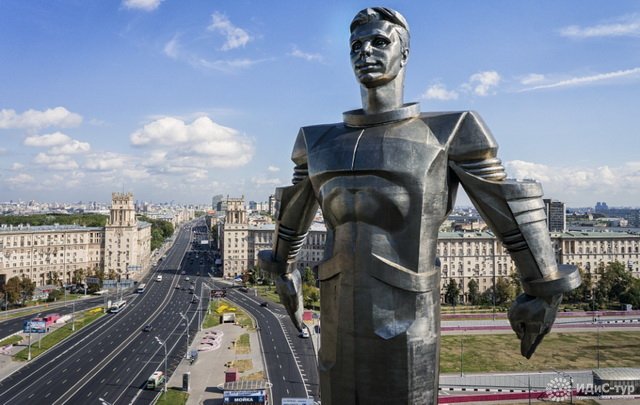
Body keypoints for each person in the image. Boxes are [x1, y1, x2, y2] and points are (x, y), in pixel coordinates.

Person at [259, 7, 580, 404]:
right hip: (336, 310)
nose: (365, 52)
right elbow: (293, 210)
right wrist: (282, 269)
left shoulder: (449, 131)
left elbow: (506, 203)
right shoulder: (316, 142)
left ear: (404, 53)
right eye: (356, 46)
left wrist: (543, 288)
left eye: (380, 42)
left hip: (407, 313)